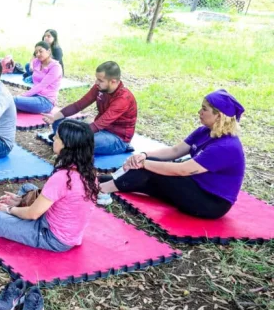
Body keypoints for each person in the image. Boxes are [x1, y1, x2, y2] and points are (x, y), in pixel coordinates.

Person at [98, 90, 245, 219]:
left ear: (218, 116)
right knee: (149, 167)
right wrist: (144, 155)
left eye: (204, 109)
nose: (199, 112)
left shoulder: (226, 147)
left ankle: (103, 189)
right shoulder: (204, 131)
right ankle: (114, 181)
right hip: (195, 185)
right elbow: (174, 151)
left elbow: (183, 170)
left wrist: (144, 164)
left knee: (150, 169)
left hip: (210, 202)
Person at [0, 119, 99, 252]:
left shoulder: (63, 178)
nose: (53, 138)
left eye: (57, 137)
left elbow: (33, 214)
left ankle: (11, 222)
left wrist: (9, 209)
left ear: (67, 145)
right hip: (68, 230)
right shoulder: (88, 171)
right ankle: (18, 215)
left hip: (52, 237)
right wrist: (21, 201)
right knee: (27, 188)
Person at [42, 61, 137, 156]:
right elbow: (78, 105)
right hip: (98, 130)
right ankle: (65, 141)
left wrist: (75, 135)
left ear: (113, 81)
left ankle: (64, 141)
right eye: (97, 79)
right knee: (59, 122)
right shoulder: (99, 88)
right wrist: (55, 117)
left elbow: (100, 124)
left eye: (100, 80)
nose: (96, 82)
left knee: (81, 140)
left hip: (117, 138)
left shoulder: (123, 98)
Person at [14, 41, 63, 114]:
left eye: (40, 51)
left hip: (46, 101)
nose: (38, 54)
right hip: (34, 95)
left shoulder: (56, 67)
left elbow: (42, 85)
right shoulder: (36, 62)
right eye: (36, 52)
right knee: (11, 104)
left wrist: (23, 95)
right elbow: (35, 81)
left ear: (49, 51)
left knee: (14, 100)